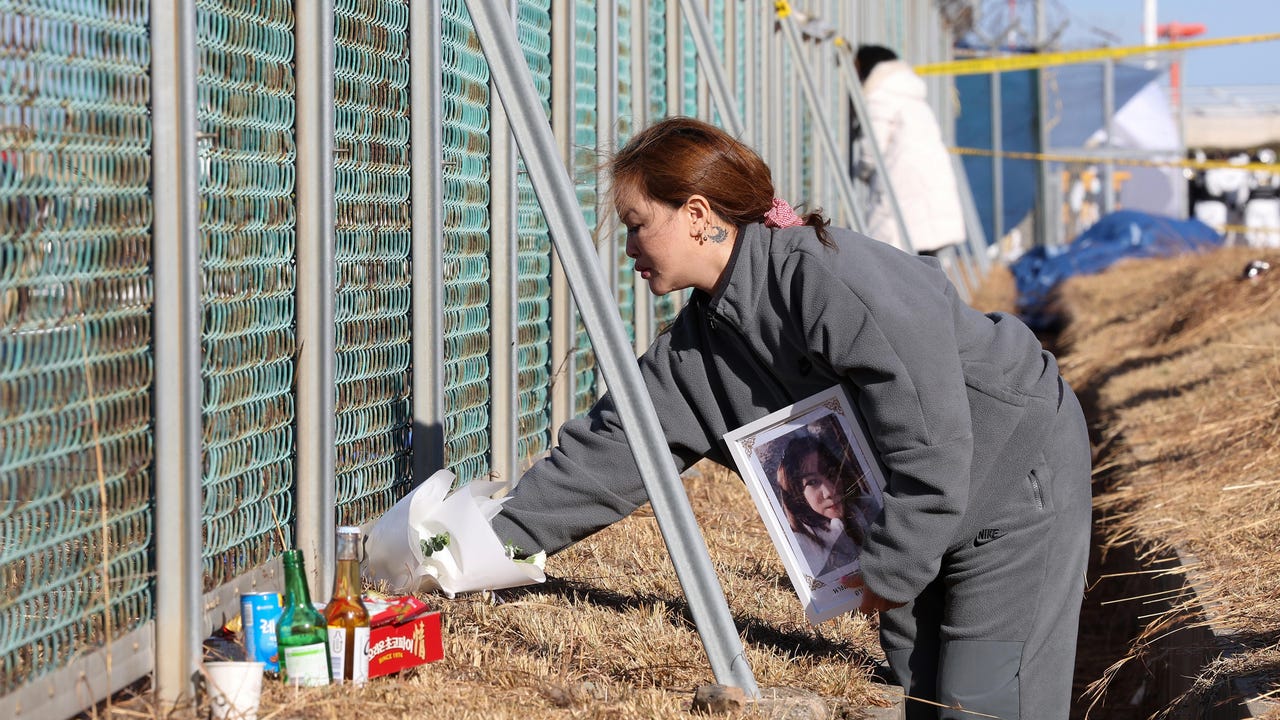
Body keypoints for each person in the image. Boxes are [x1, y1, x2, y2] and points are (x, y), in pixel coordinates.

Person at [489, 116, 1093, 720]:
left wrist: (896, 561)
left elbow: (931, 434)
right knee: (926, 691)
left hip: (1014, 484)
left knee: (986, 701)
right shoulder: (703, 343)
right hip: (918, 510)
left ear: (697, 216)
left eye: (636, 226)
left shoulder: (825, 278)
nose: (628, 248)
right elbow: (618, 447)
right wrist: (481, 549)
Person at [852, 45, 966, 256]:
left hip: (903, 187)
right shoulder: (910, 94)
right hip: (926, 187)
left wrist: (861, 170)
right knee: (925, 262)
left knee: (895, 260)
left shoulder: (880, 94)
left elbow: (873, 145)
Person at [774, 433, 865, 578]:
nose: (830, 491)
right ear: (796, 494)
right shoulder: (801, 546)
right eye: (812, 482)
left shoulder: (866, 509)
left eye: (831, 474)